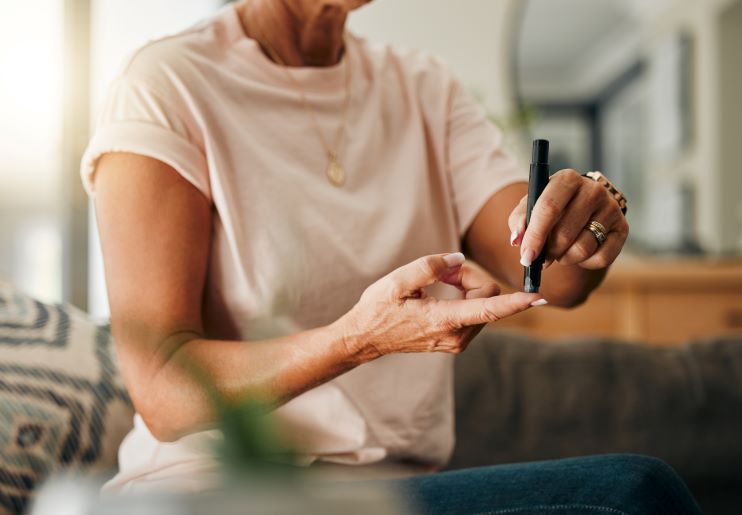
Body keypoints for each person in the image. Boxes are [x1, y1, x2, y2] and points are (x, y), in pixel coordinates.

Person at [81, 0, 701, 512]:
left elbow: (556, 281)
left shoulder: (425, 87)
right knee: (630, 495)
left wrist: (586, 214)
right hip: (219, 490)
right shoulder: (166, 83)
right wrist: (358, 339)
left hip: (387, 494)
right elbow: (162, 389)